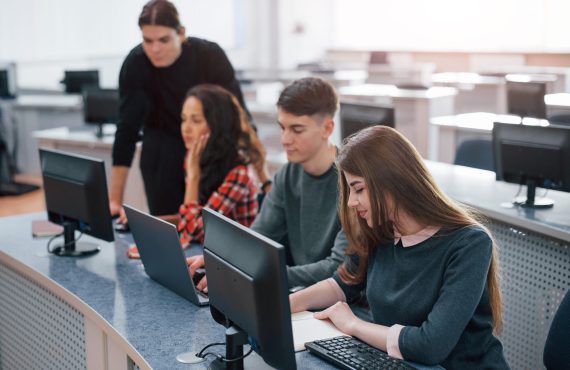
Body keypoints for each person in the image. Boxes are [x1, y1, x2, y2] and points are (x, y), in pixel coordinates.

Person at [289, 126, 510, 369]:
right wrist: (288, 304)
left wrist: (352, 324)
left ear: (392, 182)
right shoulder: (381, 231)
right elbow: (342, 283)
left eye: (359, 189)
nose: (351, 202)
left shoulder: (469, 244)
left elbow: (431, 345)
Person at [188, 77, 348, 292]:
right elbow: (258, 239)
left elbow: (338, 268)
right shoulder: (287, 175)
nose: (285, 139)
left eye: (297, 130)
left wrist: (259, 273)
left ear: (327, 128)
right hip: (298, 293)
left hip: (336, 302)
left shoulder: (352, 183)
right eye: (282, 128)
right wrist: (220, 259)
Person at [110, 0, 250, 221]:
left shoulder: (209, 56)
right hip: (161, 150)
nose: (155, 49)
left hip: (212, 149)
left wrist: (256, 168)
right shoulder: (135, 64)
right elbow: (126, 131)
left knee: (209, 227)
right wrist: (114, 201)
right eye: (148, 40)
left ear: (181, 33)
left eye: (163, 40)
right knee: (170, 229)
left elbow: (239, 113)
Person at [127, 84, 263, 257]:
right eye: (184, 119)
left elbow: (193, 231)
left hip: (235, 263)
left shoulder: (239, 174)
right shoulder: (200, 158)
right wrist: (143, 223)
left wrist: (193, 177)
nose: (186, 128)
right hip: (207, 253)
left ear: (218, 125)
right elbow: (191, 218)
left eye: (196, 120)